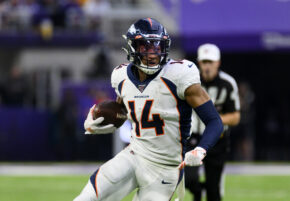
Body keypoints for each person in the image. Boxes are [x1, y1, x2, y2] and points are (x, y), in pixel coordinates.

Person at [74, 18, 223, 201]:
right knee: (85, 198)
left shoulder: (179, 75)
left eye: (157, 47)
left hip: (166, 168)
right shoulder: (121, 76)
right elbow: (124, 109)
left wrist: (201, 149)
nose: (152, 54)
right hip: (134, 155)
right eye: (145, 47)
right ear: (132, 47)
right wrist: (100, 118)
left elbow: (215, 121)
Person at [185, 44, 241, 201]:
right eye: (204, 62)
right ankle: (198, 191)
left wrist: (213, 121)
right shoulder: (189, 81)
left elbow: (236, 116)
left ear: (218, 63)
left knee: (213, 190)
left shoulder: (227, 84)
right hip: (192, 137)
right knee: (186, 179)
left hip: (217, 140)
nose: (207, 66)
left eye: (210, 62)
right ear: (199, 63)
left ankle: (206, 191)